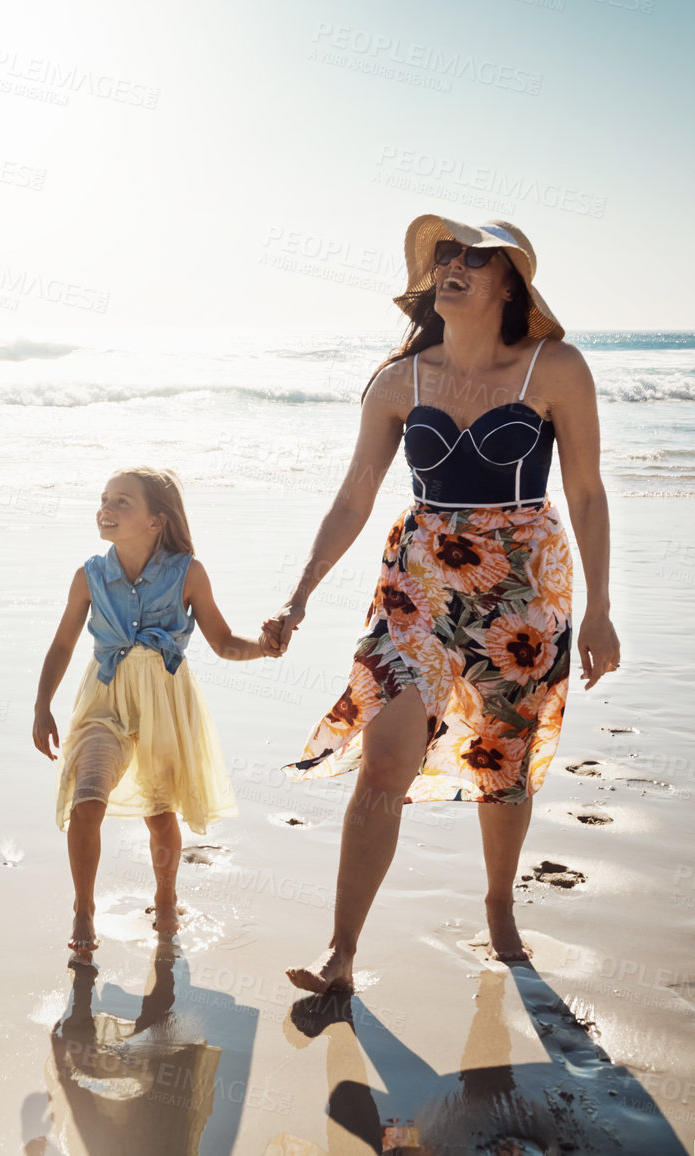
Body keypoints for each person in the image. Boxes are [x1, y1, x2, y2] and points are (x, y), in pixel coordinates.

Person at [260, 216, 621, 994]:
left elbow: (586, 492)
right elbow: (355, 494)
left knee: (504, 758)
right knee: (388, 752)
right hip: (418, 582)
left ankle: (498, 905)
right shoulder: (400, 380)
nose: (451, 265)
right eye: (444, 255)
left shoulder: (555, 368)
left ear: (507, 284)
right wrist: (299, 596)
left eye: (472, 256)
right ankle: (342, 952)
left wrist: (600, 606)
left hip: (525, 587)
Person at [33, 467, 269, 954]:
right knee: (87, 800)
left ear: (156, 520)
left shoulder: (188, 573)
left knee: (161, 814)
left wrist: (265, 647)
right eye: (104, 499)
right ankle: (84, 906)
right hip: (105, 700)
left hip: (165, 704)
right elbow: (62, 643)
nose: (107, 508)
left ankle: (165, 895)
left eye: (122, 501)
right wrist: (42, 705)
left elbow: (224, 643)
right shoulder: (89, 576)